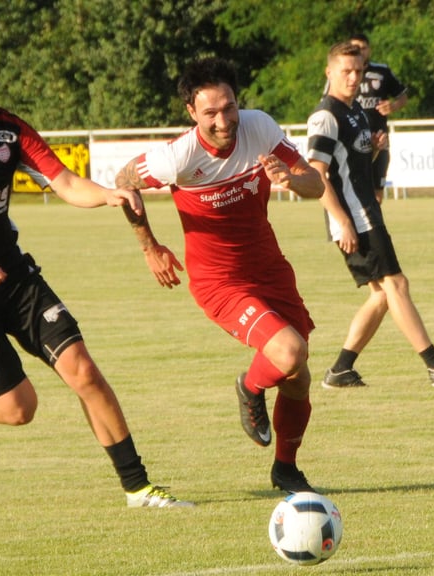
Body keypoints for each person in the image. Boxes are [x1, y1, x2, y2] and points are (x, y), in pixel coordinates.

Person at [0, 30, 190, 507]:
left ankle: (138, 488)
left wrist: (107, 194)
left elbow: (65, 182)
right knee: (19, 407)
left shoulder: (10, 130)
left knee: (83, 370)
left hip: (13, 276)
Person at [113, 57, 324, 493]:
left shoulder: (260, 127)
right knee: (288, 353)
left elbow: (315, 185)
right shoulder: (178, 157)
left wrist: (290, 178)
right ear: (192, 112)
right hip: (220, 282)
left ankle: (286, 469)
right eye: (210, 112)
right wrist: (150, 246)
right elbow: (122, 179)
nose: (223, 120)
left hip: (270, 268)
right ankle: (249, 388)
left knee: (298, 375)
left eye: (228, 107)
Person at [308, 41, 434, 390]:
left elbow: (353, 167)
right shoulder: (325, 115)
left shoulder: (356, 111)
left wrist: (373, 151)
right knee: (396, 285)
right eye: (345, 71)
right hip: (355, 218)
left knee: (381, 295)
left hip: (366, 212)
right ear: (329, 72)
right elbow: (317, 174)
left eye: (358, 71)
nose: (353, 77)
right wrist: (341, 221)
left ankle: (341, 369)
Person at [348, 33, 407, 203]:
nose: (360, 51)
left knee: (377, 193)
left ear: (369, 50)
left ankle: (373, 228)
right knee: (353, 189)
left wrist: (393, 106)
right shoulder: (342, 74)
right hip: (352, 139)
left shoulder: (381, 71)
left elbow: (402, 96)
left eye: (363, 48)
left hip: (379, 138)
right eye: (355, 48)